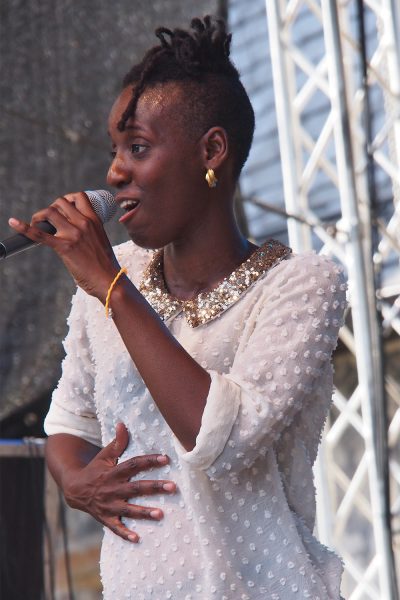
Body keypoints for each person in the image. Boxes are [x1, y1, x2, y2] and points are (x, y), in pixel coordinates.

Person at [9, 16, 347, 600]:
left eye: (137, 148)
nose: (115, 173)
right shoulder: (111, 285)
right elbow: (68, 423)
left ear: (211, 150)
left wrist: (112, 288)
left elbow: (225, 439)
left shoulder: (302, 285)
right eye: (114, 150)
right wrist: (74, 481)